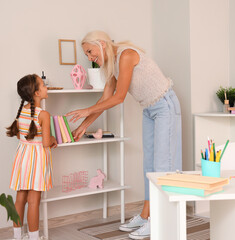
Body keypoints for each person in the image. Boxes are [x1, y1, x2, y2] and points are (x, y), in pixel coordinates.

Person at [66, 31, 182, 239]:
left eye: (90, 52)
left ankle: (159, 220)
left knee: (162, 165)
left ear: (101, 44)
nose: (90, 58)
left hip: (164, 105)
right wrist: (84, 126)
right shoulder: (112, 67)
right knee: (149, 165)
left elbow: (119, 98)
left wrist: (85, 111)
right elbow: (105, 99)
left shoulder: (126, 55)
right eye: (88, 55)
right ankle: (147, 215)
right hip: (149, 109)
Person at [6, 74, 57, 240]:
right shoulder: (44, 115)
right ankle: (34, 237)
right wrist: (53, 140)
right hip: (36, 160)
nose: (46, 87)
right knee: (34, 200)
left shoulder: (21, 112)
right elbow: (45, 143)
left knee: (20, 198)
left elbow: (22, 137)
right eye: (43, 85)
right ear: (36, 93)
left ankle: (17, 236)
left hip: (22, 158)